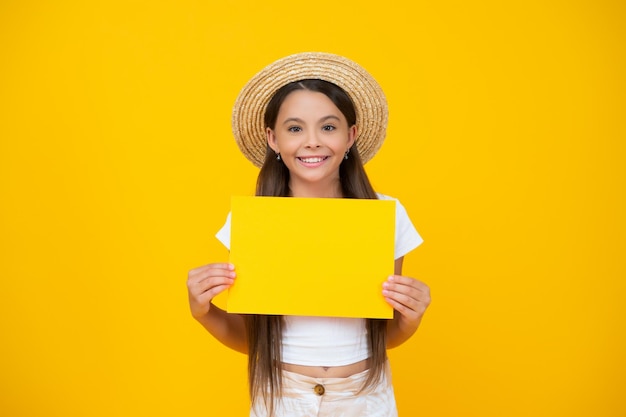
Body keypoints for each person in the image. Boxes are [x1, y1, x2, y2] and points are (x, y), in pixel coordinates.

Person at [187, 52, 431, 417]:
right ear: (273, 138)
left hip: (365, 397)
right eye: (295, 128)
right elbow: (253, 340)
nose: (313, 141)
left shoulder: (385, 214)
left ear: (351, 136)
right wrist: (203, 311)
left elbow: (385, 335)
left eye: (328, 127)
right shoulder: (256, 221)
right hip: (283, 399)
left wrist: (411, 318)